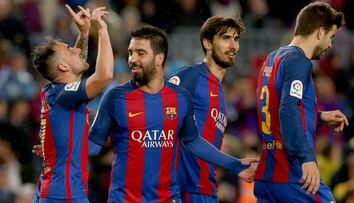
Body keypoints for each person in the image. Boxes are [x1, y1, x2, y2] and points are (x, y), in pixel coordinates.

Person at [88, 25, 257, 203]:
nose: (132, 59)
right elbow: (92, 145)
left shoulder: (181, 98)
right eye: (131, 53)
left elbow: (194, 142)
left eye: (140, 53)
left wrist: (235, 164)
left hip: (168, 198)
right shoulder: (115, 97)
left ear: (159, 58)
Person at [254, 2, 348, 203]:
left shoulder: (272, 58)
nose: (330, 45)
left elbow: (274, 107)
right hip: (292, 174)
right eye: (331, 36)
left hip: (267, 177)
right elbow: (288, 109)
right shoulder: (299, 61)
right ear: (320, 31)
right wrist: (306, 158)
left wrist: (320, 116)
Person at [31, 4, 113, 203]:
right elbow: (104, 76)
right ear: (62, 66)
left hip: (55, 192)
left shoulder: (56, 92)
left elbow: (76, 68)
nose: (76, 50)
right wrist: (101, 29)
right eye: (69, 49)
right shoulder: (63, 95)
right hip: (64, 196)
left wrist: (84, 33)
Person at [168, 16, 254, 203]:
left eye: (236, 39)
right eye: (225, 38)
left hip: (206, 188)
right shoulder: (190, 76)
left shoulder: (220, 93)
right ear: (207, 43)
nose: (233, 45)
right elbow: (161, 120)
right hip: (183, 189)